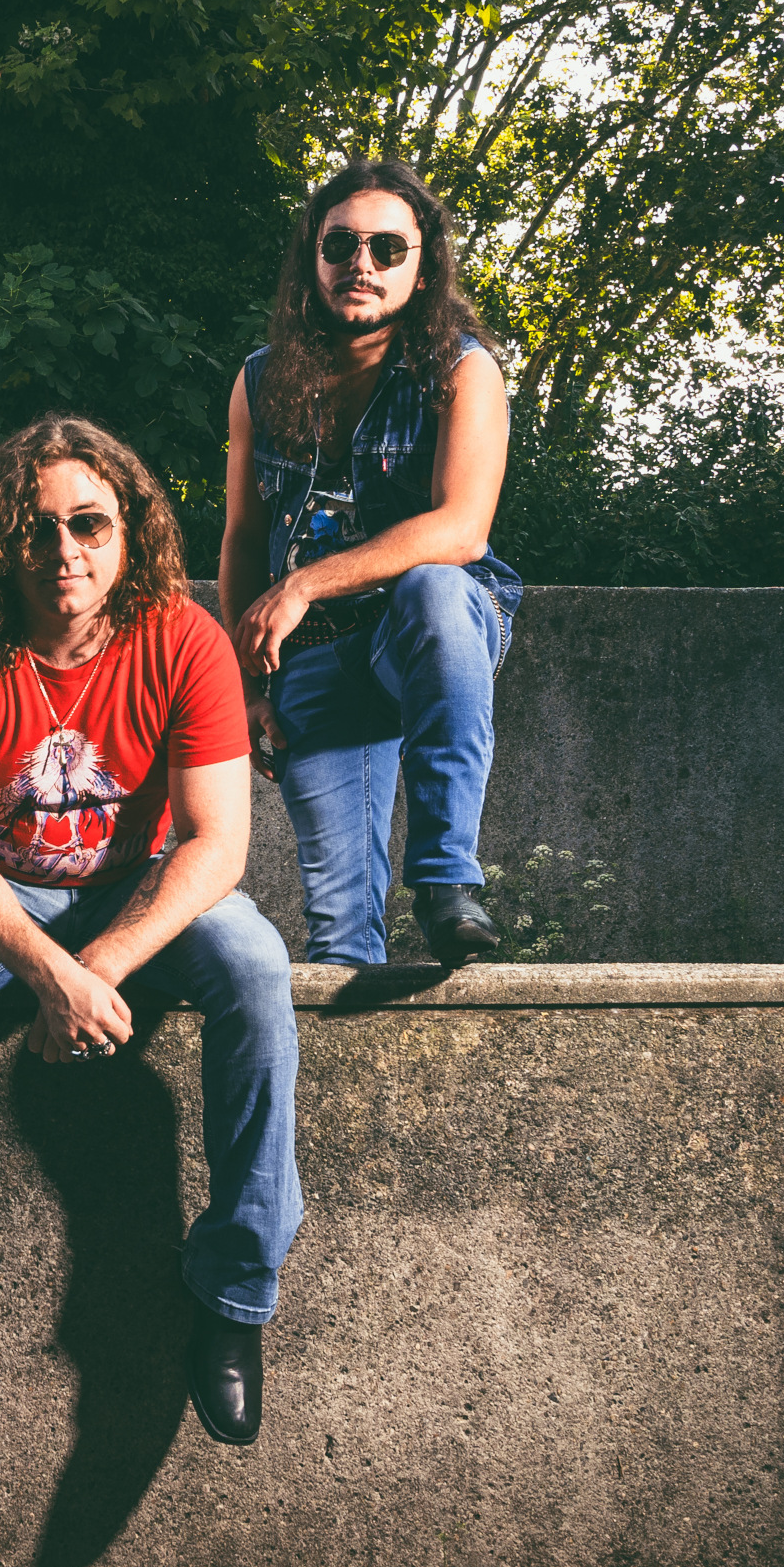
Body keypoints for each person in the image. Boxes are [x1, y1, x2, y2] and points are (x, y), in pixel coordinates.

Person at [0, 418, 302, 1457]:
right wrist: (45, 970)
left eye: (89, 524)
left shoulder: (183, 636)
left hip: (132, 890)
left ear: (129, 531)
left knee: (255, 964)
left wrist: (97, 965)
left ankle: (235, 1292)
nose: (63, 550)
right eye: (36, 527)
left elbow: (216, 843)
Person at [219, 158, 521, 967]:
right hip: (318, 653)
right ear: (312, 262)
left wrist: (304, 583)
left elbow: (461, 529)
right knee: (340, 938)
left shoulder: (462, 371)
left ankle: (446, 881)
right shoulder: (260, 380)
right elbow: (243, 537)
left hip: (425, 638)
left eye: (388, 248)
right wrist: (247, 685)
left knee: (435, 591)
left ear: (423, 271)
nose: (362, 263)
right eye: (341, 245)